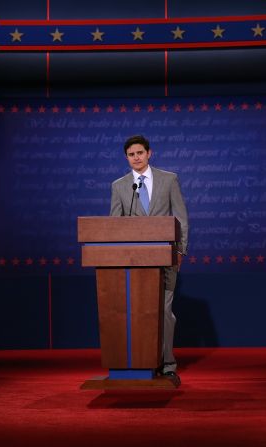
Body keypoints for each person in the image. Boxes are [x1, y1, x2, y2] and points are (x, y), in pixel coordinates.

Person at [110, 134, 189, 382]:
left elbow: (181, 218)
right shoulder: (119, 186)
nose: (136, 158)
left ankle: (167, 364)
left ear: (149, 153)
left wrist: (180, 250)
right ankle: (143, 361)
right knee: (138, 312)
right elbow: (114, 226)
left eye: (140, 153)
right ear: (127, 158)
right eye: (131, 155)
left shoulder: (169, 179)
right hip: (133, 264)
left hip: (165, 258)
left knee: (164, 311)